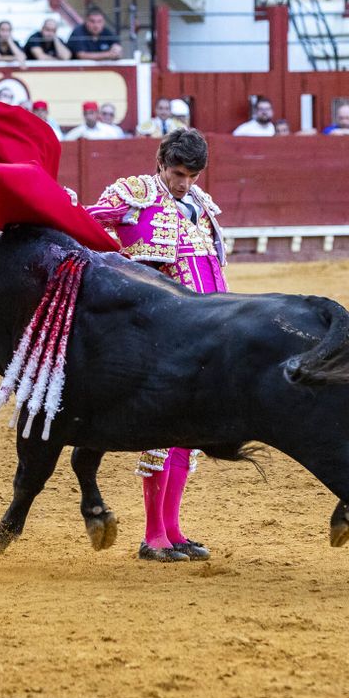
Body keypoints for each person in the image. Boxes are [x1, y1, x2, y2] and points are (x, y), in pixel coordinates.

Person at [85, 129, 228, 562]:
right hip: (154, 331)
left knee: (189, 428)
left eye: (193, 175)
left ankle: (173, 530)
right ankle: (152, 537)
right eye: (178, 173)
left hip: (206, 327)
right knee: (161, 430)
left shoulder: (201, 205)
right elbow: (86, 222)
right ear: (161, 163)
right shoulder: (135, 192)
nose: (184, 183)